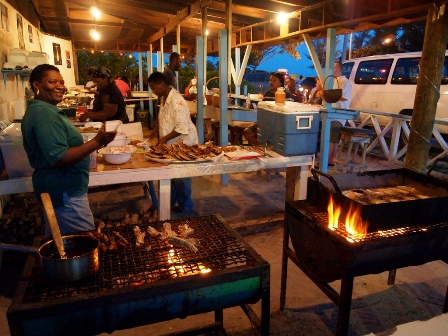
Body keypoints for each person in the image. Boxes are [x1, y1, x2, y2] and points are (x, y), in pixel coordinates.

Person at [21, 64, 117, 235]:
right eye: (52, 82)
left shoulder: (43, 110)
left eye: (62, 82)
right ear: (36, 84)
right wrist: (98, 141)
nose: (60, 86)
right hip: (64, 193)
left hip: (61, 190)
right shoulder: (44, 114)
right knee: (81, 244)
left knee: (62, 244)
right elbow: (60, 157)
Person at [148, 71, 199, 215]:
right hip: (172, 144)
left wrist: (163, 139)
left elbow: (181, 128)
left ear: (163, 84)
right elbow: (165, 118)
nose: (154, 92)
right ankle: (169, 204)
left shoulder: (177, 101)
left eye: (155, 88)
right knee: (172, 177)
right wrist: (156, 130)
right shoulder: (164, 98)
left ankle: (186, 208)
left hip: (184, 143)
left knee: (182, 178)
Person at [243, 72, 295, 145]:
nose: (271, 82)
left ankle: (269, 147)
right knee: (247, 132)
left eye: (274, 80)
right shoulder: (268, 93)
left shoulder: (287, 95)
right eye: (270, 80)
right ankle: (264, 146)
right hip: (266, 122)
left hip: (279, 124)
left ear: (280, 83)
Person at [328, 61, 352, 165]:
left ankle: (329, 159)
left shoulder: (344, 81)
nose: (331, 70)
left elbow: (343, 97)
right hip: (331, 113)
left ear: (340, 69)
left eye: (334, 67)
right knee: (330, 138)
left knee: (333, 139)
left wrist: (328, 95)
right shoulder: (331, 81)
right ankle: (329, 159)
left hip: (338, 114)